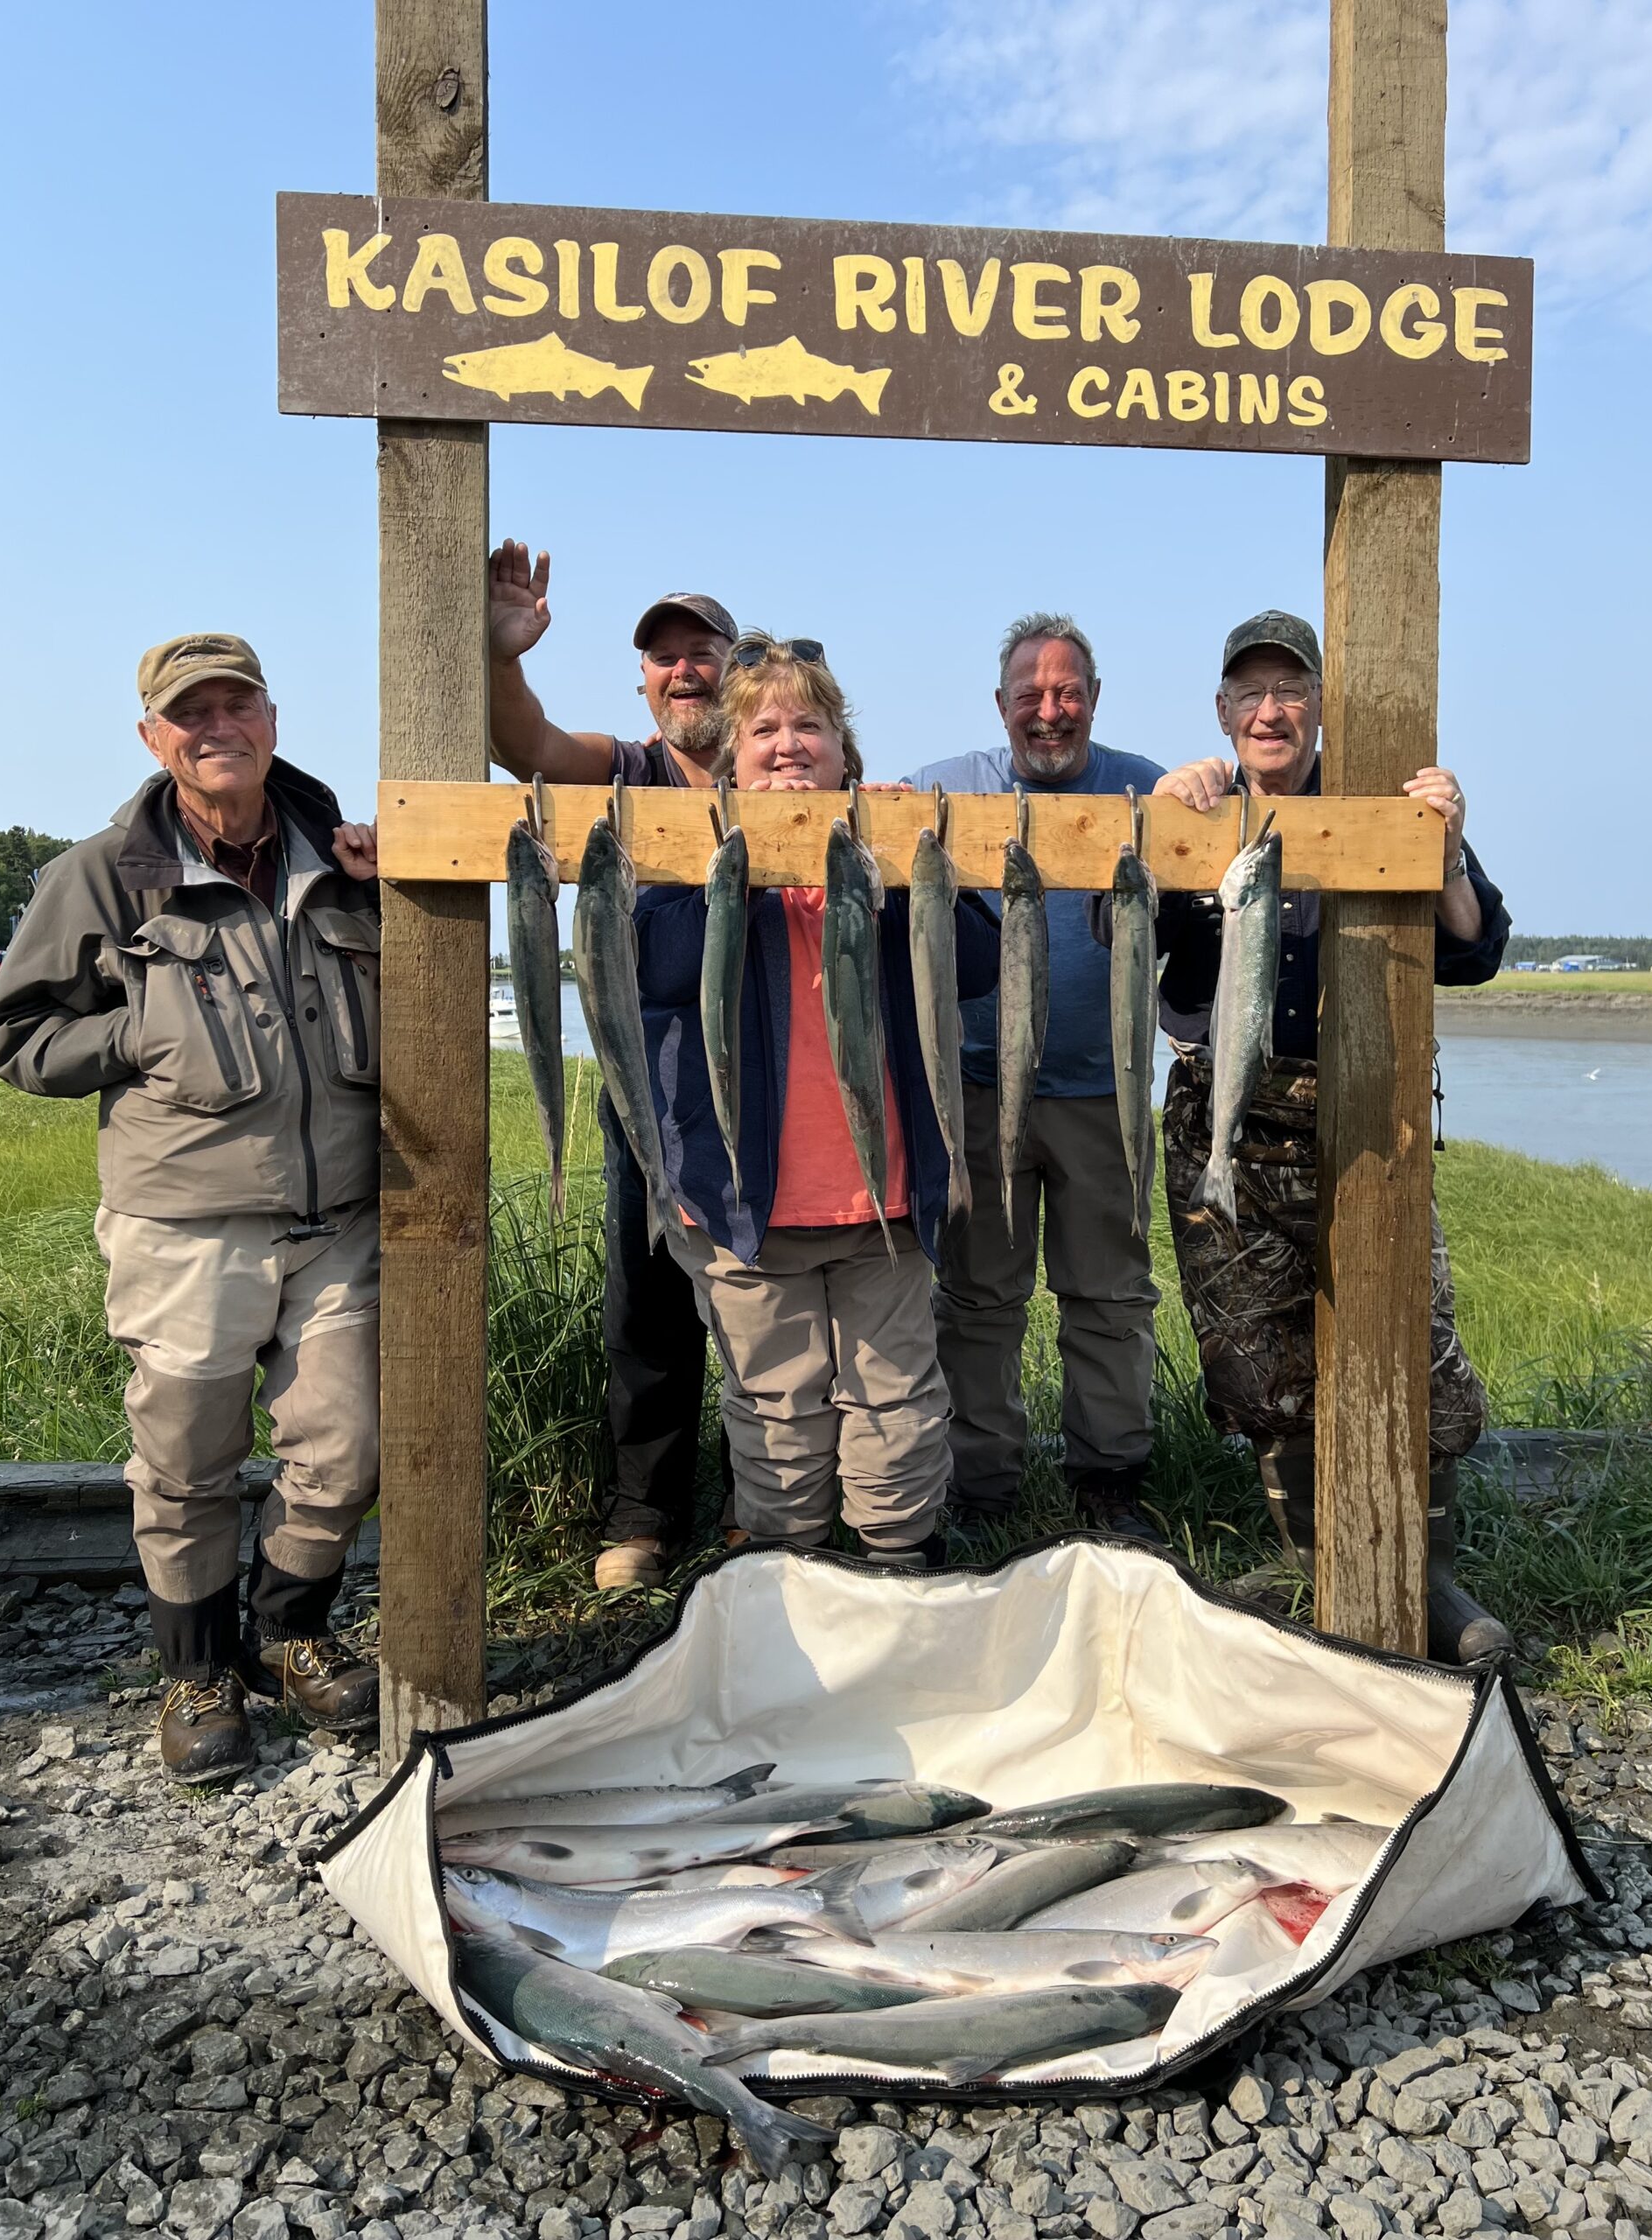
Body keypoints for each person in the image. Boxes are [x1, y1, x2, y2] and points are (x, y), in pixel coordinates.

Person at [0, 634, 384, 1782]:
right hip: (184, 1226)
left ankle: (290, 1633)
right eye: (188, 713)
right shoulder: (103, 873)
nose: (217, 728)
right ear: (154, 736)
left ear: (270, 718)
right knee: (188, 1462)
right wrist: (135, 1033)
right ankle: (199, 1671)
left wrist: (391, 886)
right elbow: (13, 1035)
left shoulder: (342, 853)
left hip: (339, 1221)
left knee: (349, 1450)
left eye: (235, 704)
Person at [1117, 608, 1512, 1662]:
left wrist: (1444, 839)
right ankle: (1324, 1567)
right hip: (1223, 1113)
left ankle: (1420, 1575)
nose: (1269, 709)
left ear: (1320, 703)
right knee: (1262, 1362)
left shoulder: (1388, 802)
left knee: (1411, 1347)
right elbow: (1124, 938)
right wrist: (1156, 840)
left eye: (1288, 688)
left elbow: (1473, 949)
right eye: (1248, 692)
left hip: (1362, 1107)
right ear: (1221, 711)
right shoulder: (1193, 810)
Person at [634, 637, 1001, 1564]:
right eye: (762, 728)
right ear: (729, 757)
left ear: (847, 754)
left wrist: (909, 862)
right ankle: (786, 1565)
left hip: (885, 1196)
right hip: (748, 1205)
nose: (788, 743)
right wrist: (739, 859)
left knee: (896, 1399)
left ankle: (896, 1560)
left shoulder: (888, 852)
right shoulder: (689, 856)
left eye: (811, 725)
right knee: (772, 1405)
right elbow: (661, 966)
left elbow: (980, 961)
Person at [486, 540, 738, 1591]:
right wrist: (501, 656)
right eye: (664, 657)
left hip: (769, 1089)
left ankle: (768, 1504)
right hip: (649, 1088)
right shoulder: (622, 770)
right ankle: (646, 1513)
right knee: (646, 1306)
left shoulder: (788, 766)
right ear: (642, 678)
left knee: (773, 1307)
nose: (684, 671)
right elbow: (525, 741)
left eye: (703, 652)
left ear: (739, 665)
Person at [903, 615, 1166, 1544]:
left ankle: (1109, 1476)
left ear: (1092, 700)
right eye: (1030, 695)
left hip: (1103, 1091)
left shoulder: (1150, 789)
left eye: (1065, 694)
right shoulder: (942, 788)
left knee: (1109, 1294)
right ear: (1000, 705)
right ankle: (981, 1483)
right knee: (978, 1297)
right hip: (976, 1090)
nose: (1047, 712)